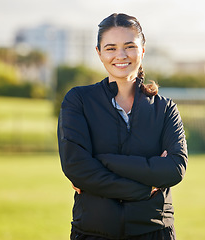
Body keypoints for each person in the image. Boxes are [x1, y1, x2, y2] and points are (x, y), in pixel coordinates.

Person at [58, 13, 188, 240]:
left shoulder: (165, 109)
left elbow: (174, 169)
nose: (121, 55)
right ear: (98, 53)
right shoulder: (79, 100)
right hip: (92, 232)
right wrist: (143, 189)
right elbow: (76, 167)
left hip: (155, 231)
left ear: (143, 50)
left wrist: (102, 160)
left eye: (129, 46)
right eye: (110, 48)